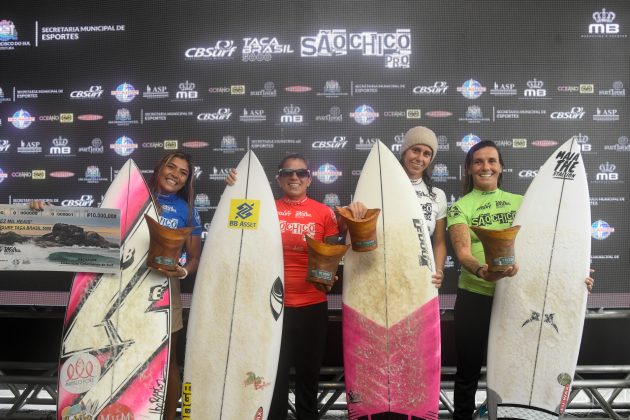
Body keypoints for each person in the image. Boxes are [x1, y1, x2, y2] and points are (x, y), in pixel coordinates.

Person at [446, 140, 593, 419]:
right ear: (468, 169)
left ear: (501, 167)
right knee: (468, 371)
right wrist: (483, 271)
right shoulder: (460, 207)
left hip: (517, 298)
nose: (485, 166)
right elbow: (463, 252)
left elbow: (552, 247)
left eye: (491, 161)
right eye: (478, 161)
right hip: (476, 297)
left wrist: (577, 275)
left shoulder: (523, 204)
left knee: (517, 366)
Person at [227, 153, 364, 420]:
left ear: (310, 179)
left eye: (301, 173)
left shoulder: (323, 212)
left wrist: (330, 274)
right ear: (278, 179)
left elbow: (331, 255)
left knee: (308, 380)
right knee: (272, 381)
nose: (294, 177)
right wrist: (232, 187)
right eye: (288, 172)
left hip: (312, 306)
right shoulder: (262, 207)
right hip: (270, 309)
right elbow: (235, 233)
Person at [147, 152, 202, 420]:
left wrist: (182, 271)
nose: (176, 174)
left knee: (168, 362)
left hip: (167, 292)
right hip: (126, 291)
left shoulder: (188, 210)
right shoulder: (133, 198)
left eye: (183, 172)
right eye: (171, 167)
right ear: (159, 168)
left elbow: (194, 258)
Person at [399, 126, 447, 288]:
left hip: (421, 273)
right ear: (405, 151)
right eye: (415, 150)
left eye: (427, 154)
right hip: (388, 269)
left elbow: (439, 242)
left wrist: (438, 271)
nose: (420, 158)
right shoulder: (384, 186)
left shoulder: (437, 195)